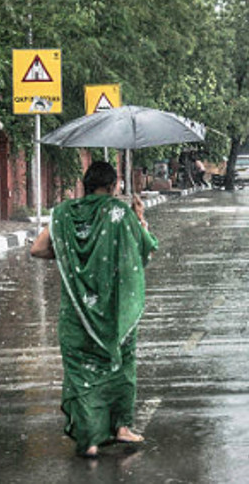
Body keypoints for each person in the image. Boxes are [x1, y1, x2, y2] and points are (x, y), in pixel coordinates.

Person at [30, 161, 158, 458]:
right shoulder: (119, 213)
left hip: (76, 315)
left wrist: (70, 258)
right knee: (121, 366)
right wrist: (140, 219)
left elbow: (37, 249)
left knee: (81, 374)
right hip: (116, 313)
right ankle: (122, 428)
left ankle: (88, 441)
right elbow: (145, 249)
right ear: (113, 186)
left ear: (85, 185)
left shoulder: (64, 214)